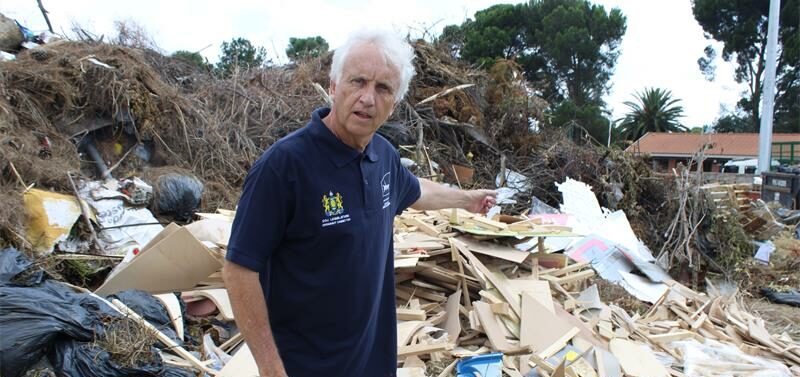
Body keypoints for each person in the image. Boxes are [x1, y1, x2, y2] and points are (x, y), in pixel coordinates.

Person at [223, 29, 497, 377]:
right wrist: (271, 369)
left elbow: (415, 192)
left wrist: (467, 199)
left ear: (394, 103)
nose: (368, 98)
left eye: (383, 88)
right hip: (304, 367)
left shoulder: (383, 156)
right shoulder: (284, 167)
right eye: (358, 81)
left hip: (373, 362)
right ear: (334, 86)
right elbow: (239, 269)